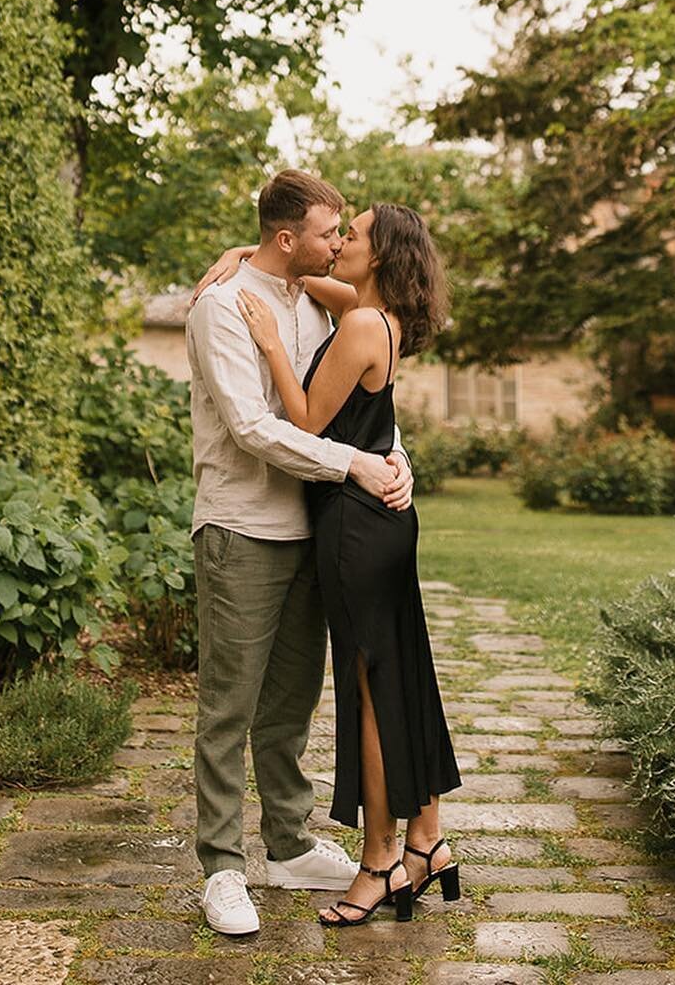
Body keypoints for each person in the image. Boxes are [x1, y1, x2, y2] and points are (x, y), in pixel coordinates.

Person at [185, 169, 416, 939]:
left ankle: (285, 846)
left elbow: (355, 401)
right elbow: (253, 427)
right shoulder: (221, 307)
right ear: (289, 239)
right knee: (229, 706)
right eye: (328, 231)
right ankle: (221, 867)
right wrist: (354, 465)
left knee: (290, 706)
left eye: (346, 231)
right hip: (241, 528)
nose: (339, 241)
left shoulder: (316, 302)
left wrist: (393, 454)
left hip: (312, 535)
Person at [233, 202, 461, 927]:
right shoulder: (381, 318)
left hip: (351, 525)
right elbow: (319, 283)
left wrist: (270, 343)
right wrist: (251, 253)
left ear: (382, 258)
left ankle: (380, 862)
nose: (338, 245)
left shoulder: (361, 325)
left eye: (351, 237)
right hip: (387, 523)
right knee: (402, 675)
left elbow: (303, 419)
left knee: (368, 691)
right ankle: (427, 844)